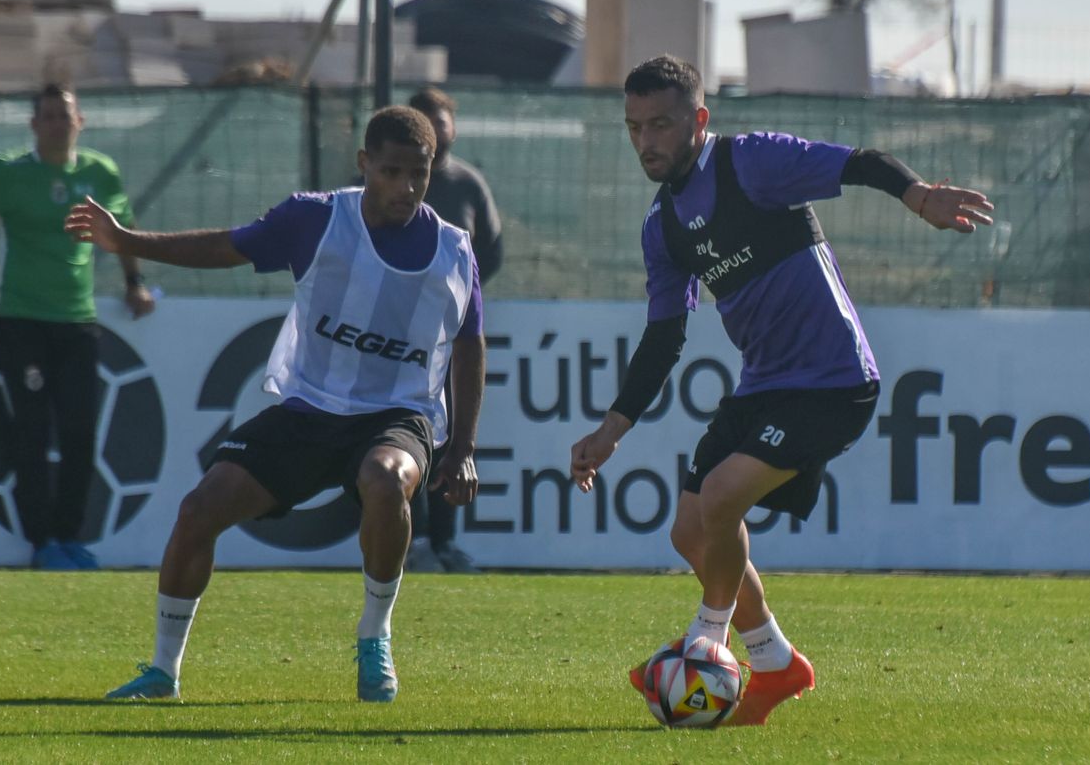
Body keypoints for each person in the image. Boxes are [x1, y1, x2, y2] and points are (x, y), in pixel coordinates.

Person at [569, 55, 994, 726]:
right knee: (689, 530)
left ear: (698, 120)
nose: (646, 140)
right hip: (764, 384)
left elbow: (861, 161)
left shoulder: (751, 165)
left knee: (720, 497)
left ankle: (708, 637)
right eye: (634, 127)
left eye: (660, 124)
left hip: (834, 381)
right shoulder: (664, 228)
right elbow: (663, 338)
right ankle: (772, 661)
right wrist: (611, 428)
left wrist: (920, 197)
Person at [69, 105, 484, 704]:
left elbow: (471, 346)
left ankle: (375, 634)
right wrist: (128, 241)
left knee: (387, 479)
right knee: (197, 510)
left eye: (418, 173)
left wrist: (463, 447)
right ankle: (162, 672)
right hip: (309, 410)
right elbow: (227, 246)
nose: (407, 187)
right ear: (365, 164)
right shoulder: (314, 219)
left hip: (397, 415)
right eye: (392, 171)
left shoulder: (453, 250)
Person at [0, 84, 156, 571]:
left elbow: (123, 233)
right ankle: (41, 543)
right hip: (22, 320)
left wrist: (135, 283)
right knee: (33, 430)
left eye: (66, 115)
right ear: (34, 125)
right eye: (49, 116)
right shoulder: (8, 174)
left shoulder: (101, 172)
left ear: (82, 122)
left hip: (78, 321)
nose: (58, 123)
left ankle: (70, 538)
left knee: (80, 432)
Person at [404, 86, 504, 575]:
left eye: (442, 124)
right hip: (397, 336)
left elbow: (492, 251)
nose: (438, 134)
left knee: (449, 437)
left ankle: (443, 542)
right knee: (403, 436)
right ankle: (412, 539)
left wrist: (463, 301)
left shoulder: (467, 183)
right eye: (427, 124)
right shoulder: (384, 184)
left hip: (448, 338)